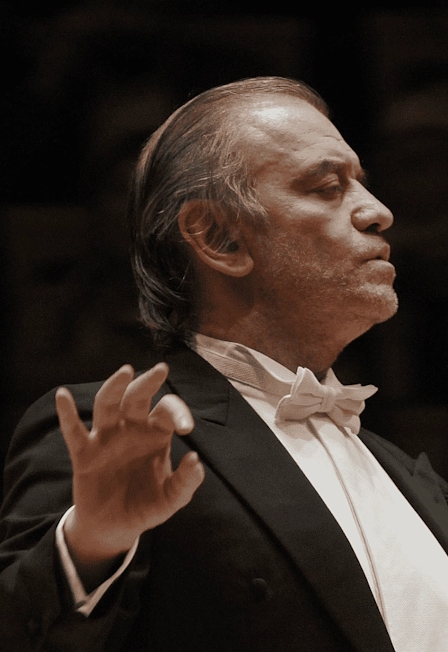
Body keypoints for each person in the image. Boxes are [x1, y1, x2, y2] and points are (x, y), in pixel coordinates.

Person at [1, 76, 448, 652]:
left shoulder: (404, 471)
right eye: (327, 187)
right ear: (219, 238)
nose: (379, 212)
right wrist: (89, 544)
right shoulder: (124, 433)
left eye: (363, 183)